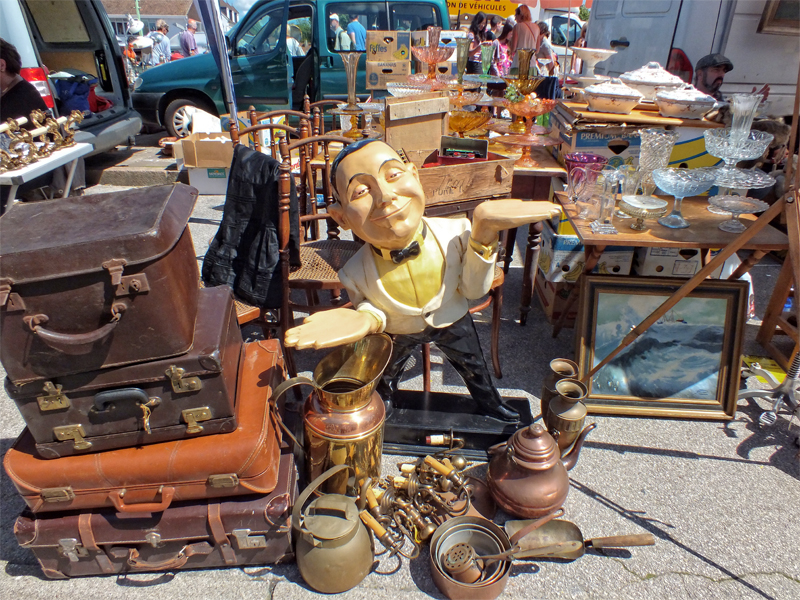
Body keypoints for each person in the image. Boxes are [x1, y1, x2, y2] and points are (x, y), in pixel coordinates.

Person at [284, 139, 562, 422]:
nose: (385, 196)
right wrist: (364, 320)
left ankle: (491, 404)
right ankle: (385, 407)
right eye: (361, 191)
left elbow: (473, 290)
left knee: (475, 368)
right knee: (385, 375)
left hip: (451, 318)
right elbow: (373, 308)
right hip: (397, 328)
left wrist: (484, 235)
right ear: (340, 217)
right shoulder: (353, 271)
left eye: (393, 175)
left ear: (414, 175)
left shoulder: (457, 233)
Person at [694, 53, 770, 101]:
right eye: (716, 70)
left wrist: (752, 103)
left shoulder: (721, 102)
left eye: (724, 71)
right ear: (700, 74)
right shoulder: (685, 99)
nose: (721, 74)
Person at [509, 5, 540, 73]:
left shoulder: (517, 27)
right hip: (532, 65)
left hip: (518, 65)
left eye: (516, 16)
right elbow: (537, 50)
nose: (515, 19)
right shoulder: (537, 27)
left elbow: (513, 48)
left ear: (520, 15)